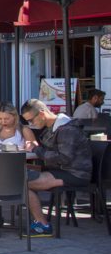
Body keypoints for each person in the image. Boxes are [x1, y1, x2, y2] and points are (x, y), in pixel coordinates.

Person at [21, 98, 92, 236]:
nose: (31, 124)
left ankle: (43, 225)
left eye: (31, 120)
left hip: (75, 174)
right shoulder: (56, 127)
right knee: (20, 179)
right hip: (63, 170)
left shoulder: (66, 129)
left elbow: (64, 158)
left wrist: (36, 150)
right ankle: (40, 222)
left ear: (41, 114)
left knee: (23, 183)